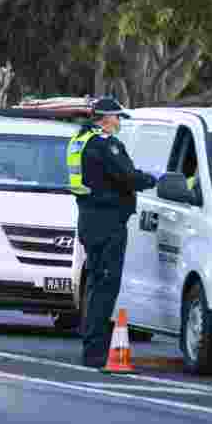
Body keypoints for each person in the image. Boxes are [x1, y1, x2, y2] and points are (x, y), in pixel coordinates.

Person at [68, 98, 157, 368]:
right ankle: (95, 352)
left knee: (95, 284)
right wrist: (155, 179)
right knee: (106, 286)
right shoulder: (106, 144)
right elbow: (127, 176)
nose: (119, 122)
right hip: (108, 222)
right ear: (105, 118)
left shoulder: (79, 140)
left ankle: (91, 345)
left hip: (88, 219)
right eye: (117, 117)